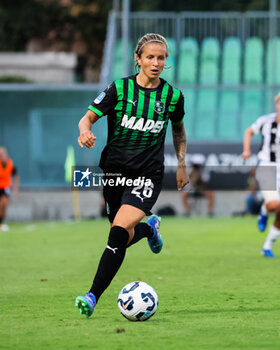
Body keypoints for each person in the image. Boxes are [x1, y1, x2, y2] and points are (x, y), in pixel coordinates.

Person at [75, 33, 189, 317]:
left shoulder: (172, 96)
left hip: (148, 174)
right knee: (122, 236)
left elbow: (178, 130)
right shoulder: (120, 89)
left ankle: (92, 297)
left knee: (116, 232)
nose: (156, 62)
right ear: (137, 59)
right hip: (115, 172)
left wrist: (182, 164)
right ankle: (150, 229)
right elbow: (87, 117)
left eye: (161, 58)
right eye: (150, 57)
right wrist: (85, 131)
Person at [242, 92, 280, 258]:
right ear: (276, 105)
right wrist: (246, 150)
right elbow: (249, 132)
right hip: (267, 166)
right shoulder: (266, 120)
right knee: (274, 205)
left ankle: (267, 246)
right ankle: (265, 209)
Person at [0, 147, 19, 231]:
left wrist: (15, 188)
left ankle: (1, 223)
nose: (3, 156)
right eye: (1, 155)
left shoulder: (10, 163)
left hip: (6, 187)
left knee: (4, 205)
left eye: (4, 154)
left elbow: (16, 176)